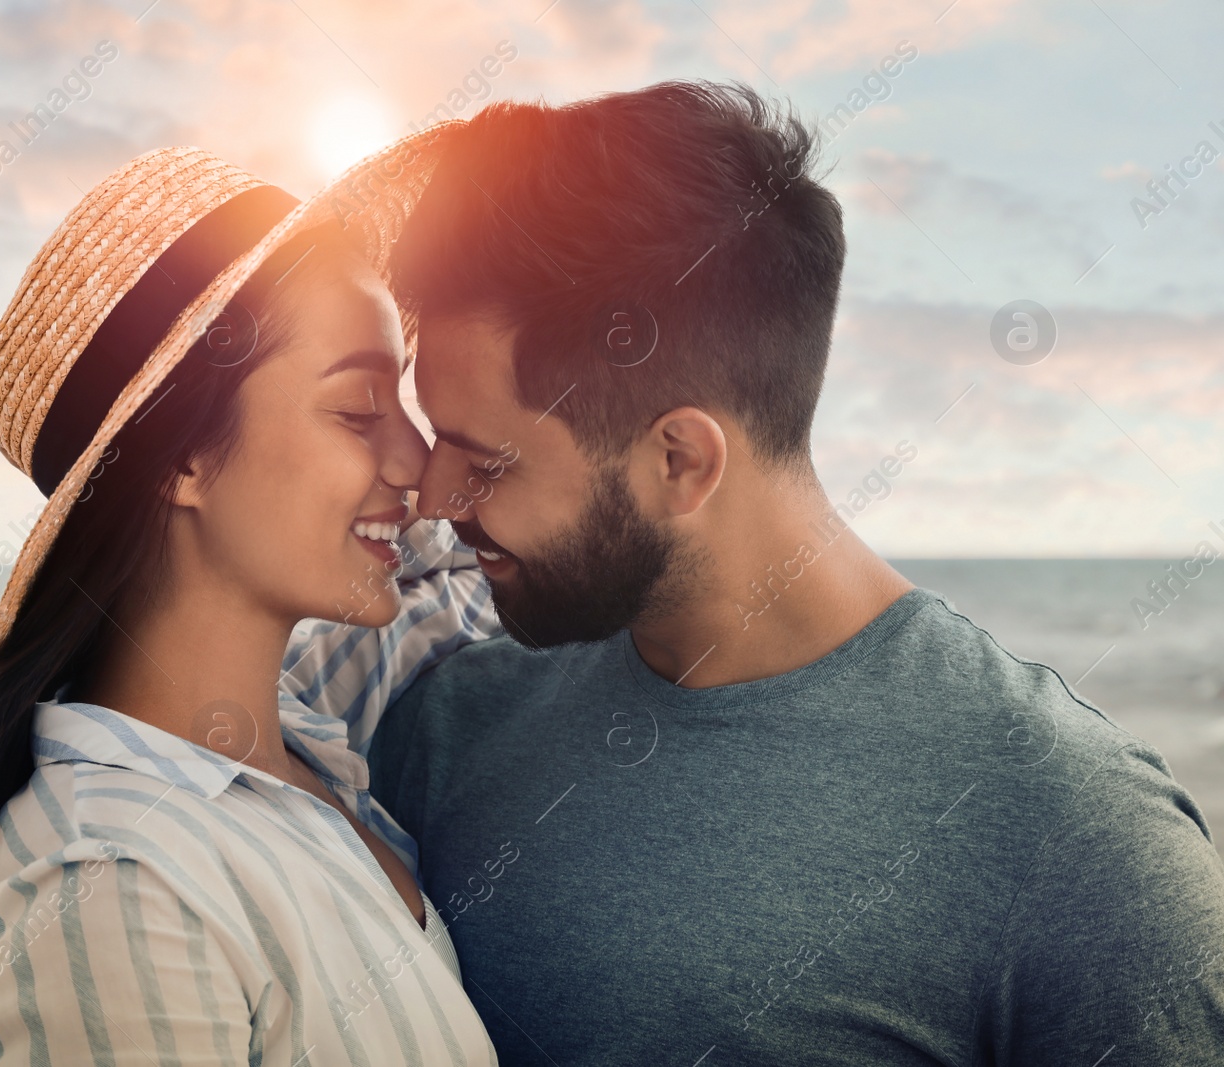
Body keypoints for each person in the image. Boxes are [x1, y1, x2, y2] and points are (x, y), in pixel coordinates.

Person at [356, 82, 1224, 1064]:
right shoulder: (444, 729)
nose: (430, 495)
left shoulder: (1081, 840)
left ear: (679, 460)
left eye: (484, 459)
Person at [0, 132, 504, 1065]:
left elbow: (478, 571)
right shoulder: (117, 879)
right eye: (361, 409)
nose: (416, 458)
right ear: (184, 459)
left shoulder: (310, 722)